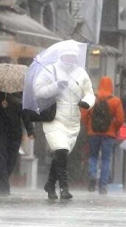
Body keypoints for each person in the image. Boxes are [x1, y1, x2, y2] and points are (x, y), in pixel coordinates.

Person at [34, 46, 95, 200]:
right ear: (61, 56)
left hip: (73, 122)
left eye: (73, 57)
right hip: (54, 120)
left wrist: (87, 102)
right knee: (61, 150)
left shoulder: (81, 73)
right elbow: (38, 90)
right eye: (67, 56)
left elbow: (89, 92)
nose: (70, 59)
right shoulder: (50, 70)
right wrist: (55, 86)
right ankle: (64, 187)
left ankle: (49, 184)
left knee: (62, 154)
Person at [0, 91, 35, 196]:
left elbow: (26, 114)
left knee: (11, 160)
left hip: (14, 132)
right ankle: (4, 188)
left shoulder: (21, 94)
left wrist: (30, 130)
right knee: (1, 157)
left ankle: (1, 179)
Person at [81, 76, 125, 195]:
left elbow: (84, 115)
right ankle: (103, 185)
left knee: (93, 156)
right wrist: (114, 128)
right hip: (109, 135)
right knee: (106, 159)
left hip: (93, 133)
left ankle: (92, 175)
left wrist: (89, 126)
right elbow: (120, 119)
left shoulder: (91, 98)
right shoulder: (115, 101)